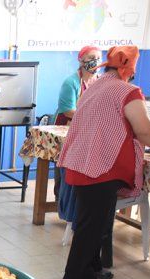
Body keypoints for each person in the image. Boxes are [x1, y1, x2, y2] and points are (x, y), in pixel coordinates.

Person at [58, 46, 150, 279]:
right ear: (128, 68)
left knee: (97, 221)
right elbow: (143, 129)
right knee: (92, 224)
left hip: (83, 162)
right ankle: (76, 275)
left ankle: (93, 267)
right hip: (101, 167)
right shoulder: (128, 91)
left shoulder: (95, 86)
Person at [54, 46, 101, 206]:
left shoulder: (99, 82)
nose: (95, 61)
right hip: (67, 127)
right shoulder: (71, 82)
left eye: (98, 58)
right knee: (65, 164)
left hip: (87, 128)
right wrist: (91, 117)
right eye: (91, 57)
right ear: (81, 61)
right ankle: (61, 200)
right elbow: (68, 111)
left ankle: (79, 202)